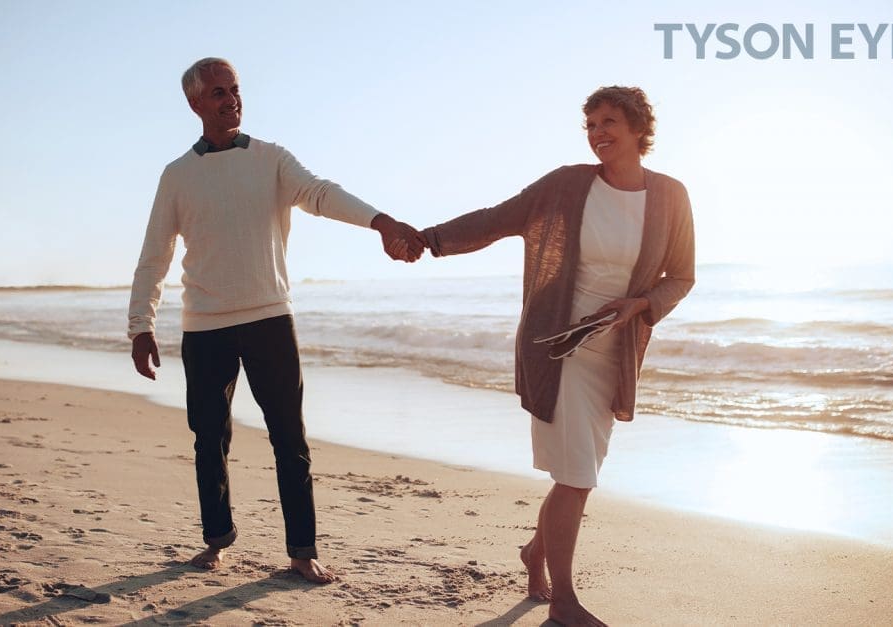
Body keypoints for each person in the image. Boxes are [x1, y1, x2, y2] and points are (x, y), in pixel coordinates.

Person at [128, 57, 425, 583]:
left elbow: (321, 194)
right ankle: (217, 541)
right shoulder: (177, 175)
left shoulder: (271, 159)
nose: (231, 99)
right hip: (204, 325)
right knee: (208, 438)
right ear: (196, 103)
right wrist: (140, 325)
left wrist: (380, 221)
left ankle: (302, 551)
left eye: (235, 89)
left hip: (269, 319)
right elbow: (155, 254)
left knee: (290, 438)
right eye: (218, 92)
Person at [419, 86, 695, 625]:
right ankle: (563, 603)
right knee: (576, 477)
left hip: (612, 353)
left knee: (578, 470)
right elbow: (498, 218)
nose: (598, 133)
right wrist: (429, 239)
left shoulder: (671, 196)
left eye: (610, 121)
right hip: (558, 345)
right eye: (590, 124)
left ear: (640, 128)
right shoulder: (568, 184)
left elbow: (681, 276)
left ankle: (534, 553)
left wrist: (641, 303)